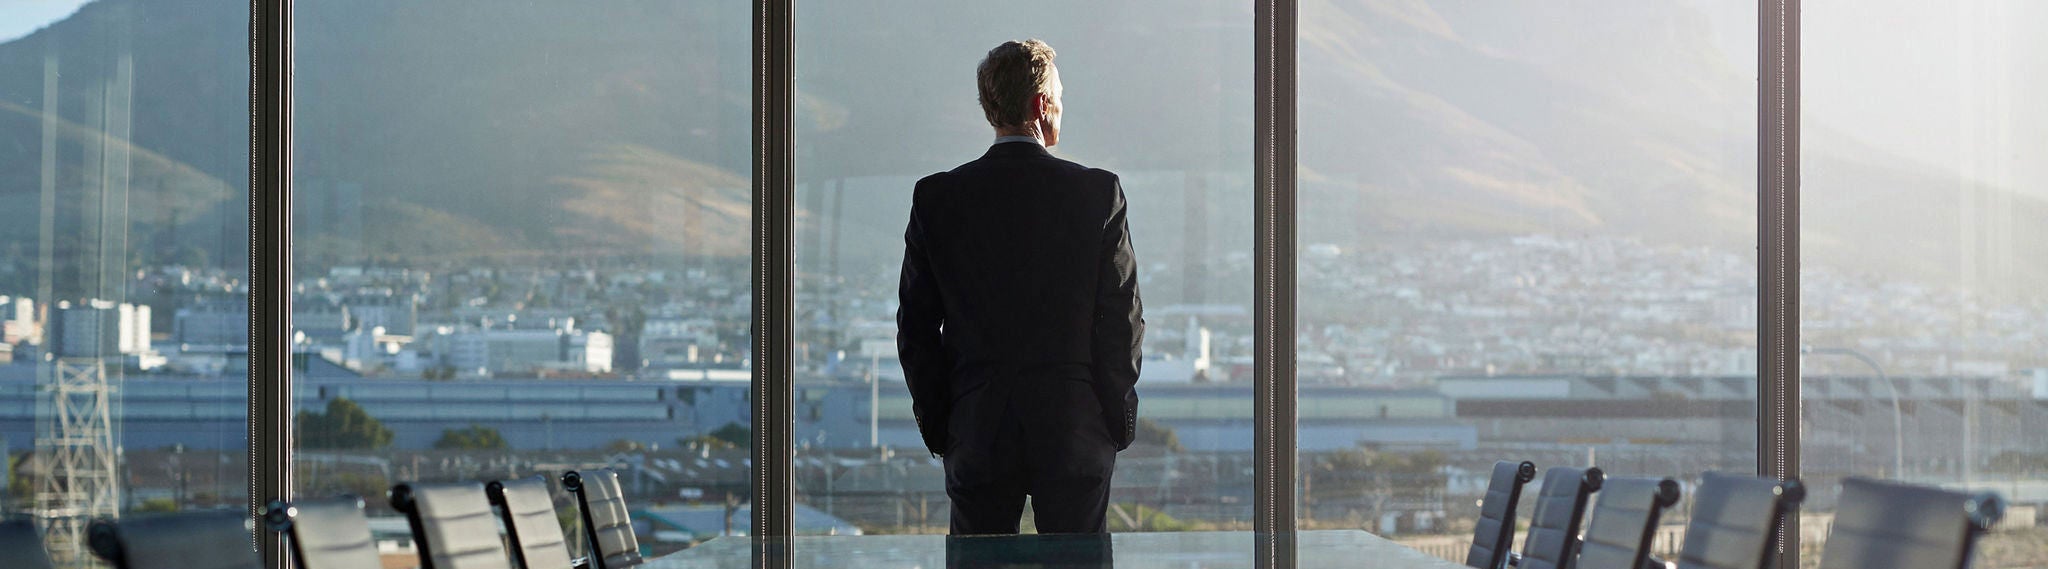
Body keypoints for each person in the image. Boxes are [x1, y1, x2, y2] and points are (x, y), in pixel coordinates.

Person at [896, 38, 1144, 535]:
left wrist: (947, 427)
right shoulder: (1096, 194)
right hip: (1074, 429)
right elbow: (1121, 320)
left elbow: (915, 331)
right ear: (1041, 105)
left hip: (977, 429)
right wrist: (1113, 424)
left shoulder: (938, 198)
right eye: (1060, 97)